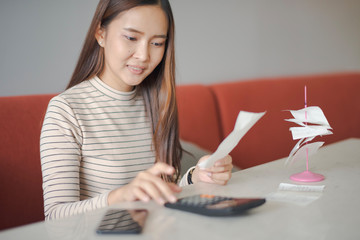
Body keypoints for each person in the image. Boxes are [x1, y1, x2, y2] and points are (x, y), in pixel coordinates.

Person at [40, 0, 233, 220]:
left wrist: (195, 177)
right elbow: (55, 217)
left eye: (157, 43)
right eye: (131, 38)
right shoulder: (66, 111)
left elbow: (161, 193)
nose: (143, 55)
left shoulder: (157, 103)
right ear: (100, 34)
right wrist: (120, 196)